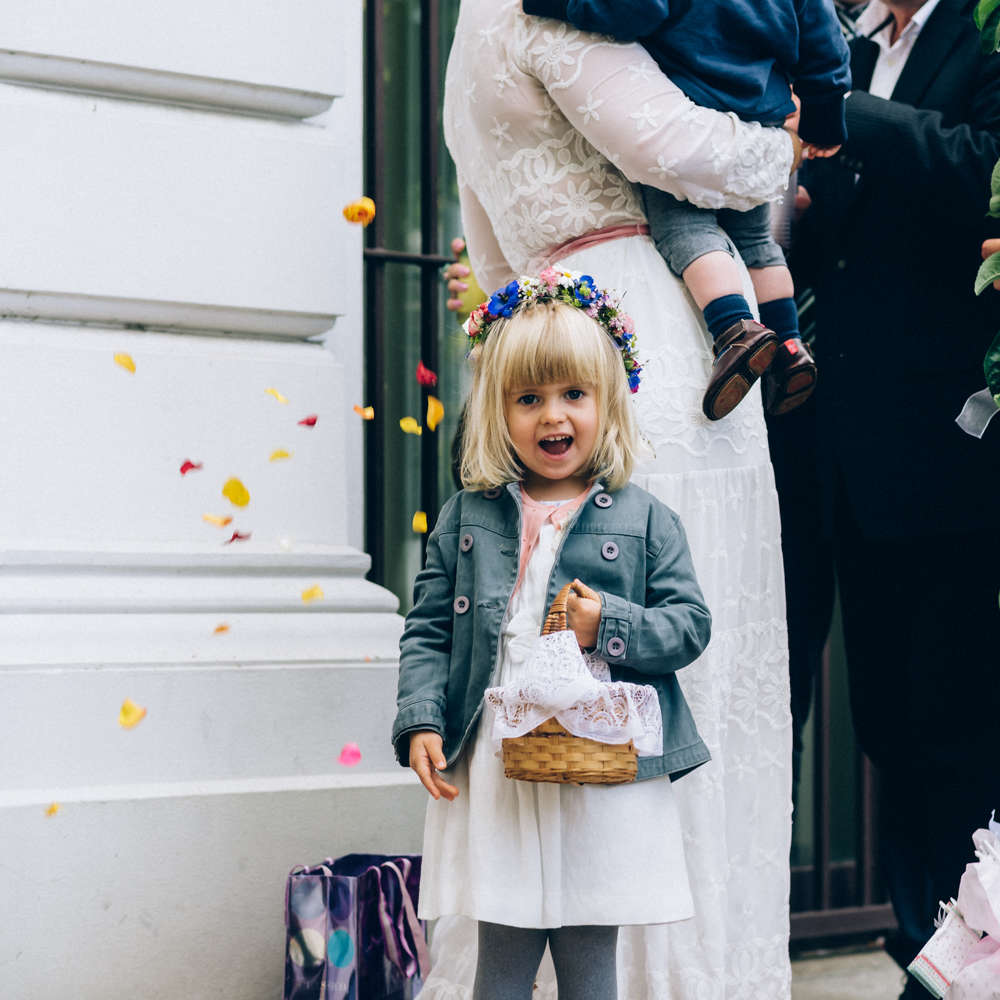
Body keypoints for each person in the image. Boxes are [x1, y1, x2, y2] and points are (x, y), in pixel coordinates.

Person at [430, 3, 799, 997]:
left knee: (575, 654)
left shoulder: (464, 50)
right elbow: (678, 147)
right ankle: (678, 974)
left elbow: (492, 258)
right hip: (646, 338)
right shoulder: (549, 13)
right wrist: (787, 140)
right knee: (681, 663)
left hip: (549, 329)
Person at [393, 277, 713, 1000]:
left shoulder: (647, 519)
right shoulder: (467, 514)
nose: (553, 416)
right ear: (499, 411)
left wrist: (612, 624)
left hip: (597, 767)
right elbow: (429, 627)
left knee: (588, 943)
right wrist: (420, 720)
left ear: (607, 402)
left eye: (574, 394)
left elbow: (689, 626)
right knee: (501, 944)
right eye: (528, 398)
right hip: (501, 763)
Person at [789, 1, 1000, 994]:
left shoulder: (979, 36)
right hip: (853, 455)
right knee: (884, 727)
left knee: (952, 723)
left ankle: (968, 953)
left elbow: (980, 164)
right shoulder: (856, 40)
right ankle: (919, 949)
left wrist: (844, 112)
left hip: (955, 452)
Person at [521, 0, 851, 421]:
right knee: (755, 240)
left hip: (690, 116)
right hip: (762, 121)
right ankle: (789, 344)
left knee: (686, 229)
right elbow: (826, 45)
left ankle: (734, 329)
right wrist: (824, 119)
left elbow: (632, 12)